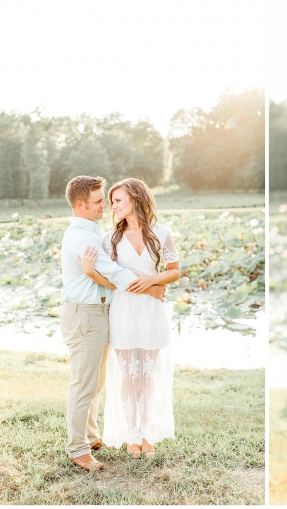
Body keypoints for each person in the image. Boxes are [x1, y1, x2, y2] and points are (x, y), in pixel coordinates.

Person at [60, 175, 166, 471]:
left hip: (101, 313)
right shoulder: (81, 237)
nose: (104, 206)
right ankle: (78, 449)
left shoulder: (93, 232)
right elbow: (116, 273)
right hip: (84, 314)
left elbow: (106, 275)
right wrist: (152, 287)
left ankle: (91, 437)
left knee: (96, 382)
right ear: (80, 204)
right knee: (83, 383)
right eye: (97, 201)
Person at [78, 178, 180, 460]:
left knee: (147, 377)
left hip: (151, 313)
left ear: (135, 198)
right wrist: (89, 272)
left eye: (118, 200)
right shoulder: (111, 238)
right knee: (127, 377)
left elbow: (174, 270)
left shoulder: (162, 232)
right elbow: (112, 279)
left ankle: (146, 433)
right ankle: (131, 436)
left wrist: (153, 279)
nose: (113, 206)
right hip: (123, 311)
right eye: (111, 202)